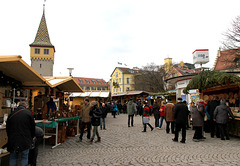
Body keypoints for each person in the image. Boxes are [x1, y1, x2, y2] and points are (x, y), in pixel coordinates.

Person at [6, 101, 35, 166]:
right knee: (24, 157)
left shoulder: (12, 114)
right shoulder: (28, 113)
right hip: (25, 138)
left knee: (13, 157)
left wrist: (9, 136)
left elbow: (7, 127)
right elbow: (32, 127)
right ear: (26, 106)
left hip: (13, 139)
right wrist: (32, 136)